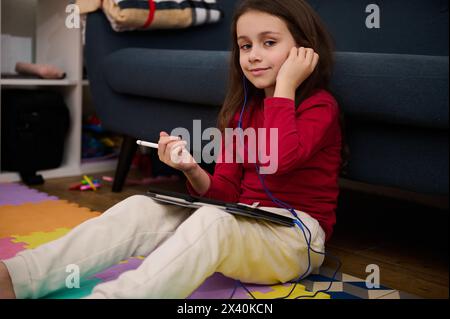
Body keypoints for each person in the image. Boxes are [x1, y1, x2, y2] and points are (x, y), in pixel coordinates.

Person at [0, 0, 343, 299]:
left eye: (268, 43)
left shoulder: (319, 107)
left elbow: (279, 159)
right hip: (241, 220)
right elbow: (225, 193)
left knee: (214, 220)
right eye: (244, 45)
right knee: (140, 207)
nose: (253, 55)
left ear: (303, 50)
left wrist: (285, 87)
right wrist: (191, 170)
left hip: (295, 238)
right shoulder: (242, 112)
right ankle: (18, 277)